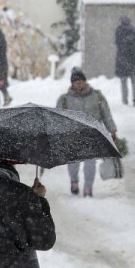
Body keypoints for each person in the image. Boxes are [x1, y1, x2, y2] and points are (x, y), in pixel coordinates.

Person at [57, 68, 117, 196]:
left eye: (81, 80)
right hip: (72, 136)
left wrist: (112, 129)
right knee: (73, 162)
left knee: (90, 164)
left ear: (85, 81)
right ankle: (74, 182)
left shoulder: (97, 96)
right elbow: (57, 119)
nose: (79, 83)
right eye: (76, 81)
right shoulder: (64, 99)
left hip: (92, 135)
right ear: (72, 83)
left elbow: (106, 114)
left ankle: (88, 188)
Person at [114, 16, 135, 107]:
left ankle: (125, 101)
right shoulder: (134, 31)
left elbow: (117, 45)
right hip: (133, 63)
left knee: (124, 83)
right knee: (134, 83)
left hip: (122, 62)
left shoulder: (118, 31)